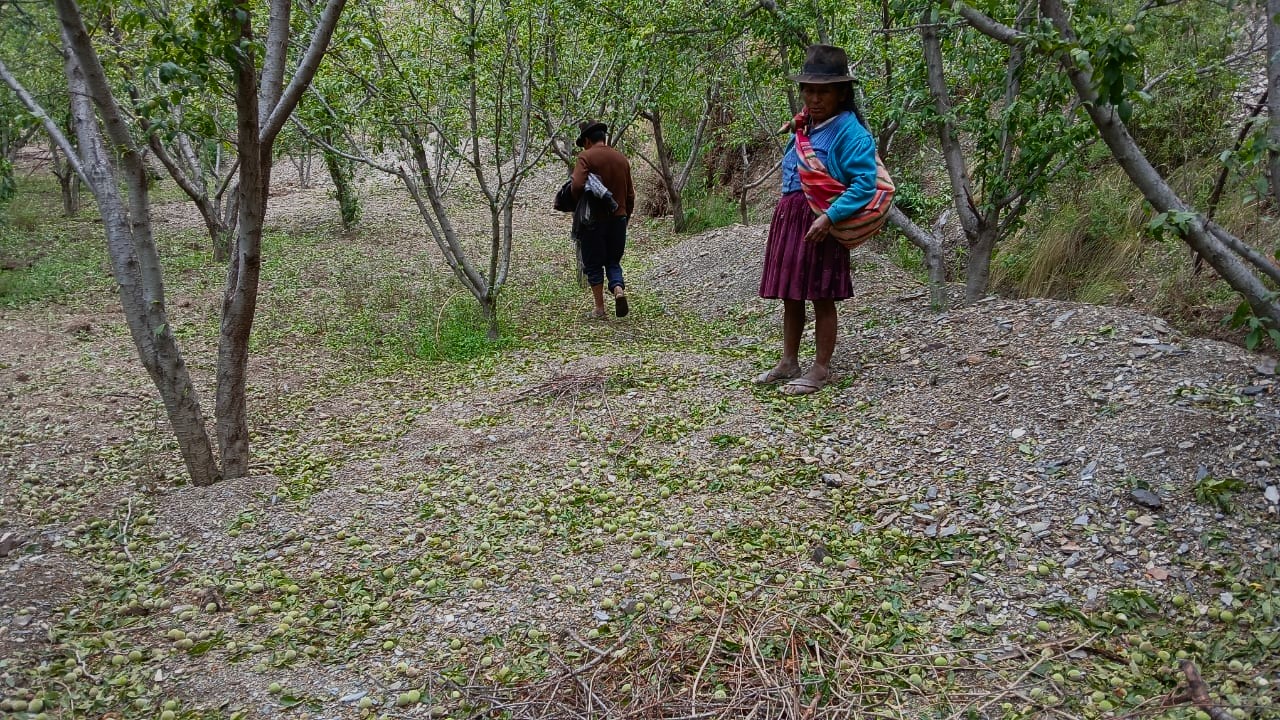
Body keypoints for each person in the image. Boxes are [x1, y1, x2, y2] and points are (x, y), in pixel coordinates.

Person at [756, 45, 878, 395]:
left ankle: (821, 368)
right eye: (808, 90)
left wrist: (829, 217)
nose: (814, 97)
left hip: (821, 221)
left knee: (821, 295)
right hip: (792, 216)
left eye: (823, 91)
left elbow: (863, 186)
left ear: (842, 93)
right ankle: (788, 361)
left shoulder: (851, 133)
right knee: (791, 293)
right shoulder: (805, 126)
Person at [571, 120, 635, 319]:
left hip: (594, 221)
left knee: (593, 264)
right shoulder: (622, 159)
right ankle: (618, 290)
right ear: (604, 137)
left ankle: (599, 308)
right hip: (619, 219)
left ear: (588, 140)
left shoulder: (586, 157)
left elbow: (577, 187)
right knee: (613, 260)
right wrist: (624, 217)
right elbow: (631, 195)